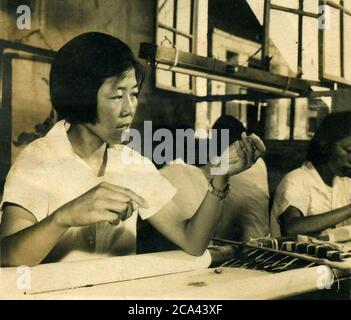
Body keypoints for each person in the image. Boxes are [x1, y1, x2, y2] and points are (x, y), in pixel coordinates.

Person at [0, 32, 265, 266]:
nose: (129, 109)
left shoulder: (132, 163)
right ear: (79, 96)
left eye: (134, 94)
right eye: (117, 96)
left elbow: (193, 241)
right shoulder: (39, 159)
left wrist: (220, 174)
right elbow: (8, 256)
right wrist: (64, 217)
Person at [160, 115, 270, 242]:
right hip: (262, 240)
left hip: (233, 245)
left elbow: (199, 172)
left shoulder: (221, 165)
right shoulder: (259, 162)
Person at [271, 112, 351, 238]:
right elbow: (291, 229)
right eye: (349, 151)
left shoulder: (344, 182)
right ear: (324, 145)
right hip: (295, 257)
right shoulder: (296, 180)